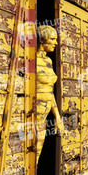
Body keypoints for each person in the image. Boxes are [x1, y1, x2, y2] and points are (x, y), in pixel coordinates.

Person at [36, 25, 64, 153]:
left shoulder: (48, 61)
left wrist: (57, 116)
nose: (56, 43)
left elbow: (49, 91)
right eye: (52, 39)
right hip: (33, 117)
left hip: (43, 119)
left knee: (37, 154)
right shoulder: (31, 61)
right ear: (41, 39)